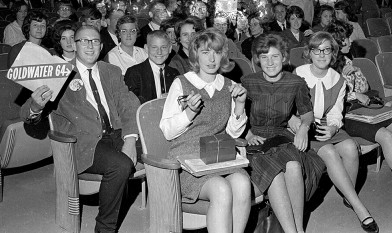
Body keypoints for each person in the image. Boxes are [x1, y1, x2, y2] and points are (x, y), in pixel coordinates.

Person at [21, 25, 140, 233]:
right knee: (121, 165)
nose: (90, 45)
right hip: (84, 142)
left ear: (102, 46)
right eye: (83, 41)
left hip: (116, 134)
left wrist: (130, 139)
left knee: (158, 151)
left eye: (94, 41)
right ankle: (105, 229)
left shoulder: (110, 70)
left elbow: (128, 104)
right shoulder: (59, 73)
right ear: (74, 45)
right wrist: (36, 106)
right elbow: (26, 113)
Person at [159, 29, 251, 233]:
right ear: (195, 55)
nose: (211, 58)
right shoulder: (182, 83)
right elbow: (167, 131)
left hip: (217, 156)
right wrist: (189, 114)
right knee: (221, 188)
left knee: (243, 182)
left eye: (216, 53)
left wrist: (240, 104)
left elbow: (234, 134)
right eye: (205, 52)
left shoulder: (229, 85)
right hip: (186, 161)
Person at [291, 31, 379, 233]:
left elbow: (336, 114)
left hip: (326, 126)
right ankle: (359, 207)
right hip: (303, 127)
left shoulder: (338, 80)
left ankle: (348, 196)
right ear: (309, 53)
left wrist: (332, 128)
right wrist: (299, 124)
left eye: (327, 50)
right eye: (317, 50)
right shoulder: (298, 74)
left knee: (349, 147)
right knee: (329, 152)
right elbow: (288, 110)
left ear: (333, 54)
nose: (322, 55)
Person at [241, 33, 326, 233]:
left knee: (295, 166)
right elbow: (236, 116)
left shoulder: (295, 82)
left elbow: (307, 114)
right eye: (264, 57)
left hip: (281, 136)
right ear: (257, 60)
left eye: (275, 56)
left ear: (284, 57)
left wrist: (304, 128)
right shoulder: (247, 81)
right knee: (276, 172)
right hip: (256, 141)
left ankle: (298, 228)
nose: (270, 62)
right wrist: (248, 135)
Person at [326, 17, 392, 190]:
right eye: (345, 39)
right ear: (335, 42)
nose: (350, 41)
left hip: (360, 110)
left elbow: (364, 89)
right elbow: (329, 98)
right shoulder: (325, 65)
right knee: (385, 136)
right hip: (344, 116)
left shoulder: (347, 61)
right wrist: (352, 92)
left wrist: (357, 72)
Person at [125, 30, 180, 103]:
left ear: (170, 49)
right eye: (154, 47)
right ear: (146, 48)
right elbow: (129, 105)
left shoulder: (174, 73)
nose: (159, 52)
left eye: (163, 47)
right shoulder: (135, 73)